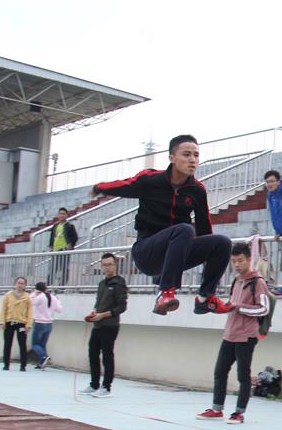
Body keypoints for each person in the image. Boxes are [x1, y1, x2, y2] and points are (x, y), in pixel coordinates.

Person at [91, 134, 232, 316]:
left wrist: (211, 261)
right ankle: (165, 293)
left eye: (196, 155)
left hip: (178, 253)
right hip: (147, 253)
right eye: (186, 154)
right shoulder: (151, 180)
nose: (192, 160)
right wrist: (99, 188)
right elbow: (125, 185)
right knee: (185, 229)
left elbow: (205, 229)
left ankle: (205, 299)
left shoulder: (197, 190)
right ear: (172, 158)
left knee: (222, 243)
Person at [196, 242, 269, 424]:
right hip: (230, 333)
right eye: (233, 261)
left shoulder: (258, 282)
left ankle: (239, 413)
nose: (236, 265)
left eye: (240, 260)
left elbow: (264, 309)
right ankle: (217, 409)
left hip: (247, 336)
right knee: (219, 372)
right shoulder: (236, 281)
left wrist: (238, 307)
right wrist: (222, 307)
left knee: (243, 376)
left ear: (249, 259)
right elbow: (232, 305)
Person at [79, 253, 128, 398]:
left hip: (110, 325)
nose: (107, 268)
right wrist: (94, 313)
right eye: (105, 265)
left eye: (110, 264)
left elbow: (122, 307)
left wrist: (103, 315)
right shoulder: (101, 284)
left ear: (115, 265)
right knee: (93, 353)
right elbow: (98, 302)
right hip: (98, 324)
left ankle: (106, 387)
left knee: (107, 355)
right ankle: (94, 384)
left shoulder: (119, 283)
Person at [0, 276, 33, 371]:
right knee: (7, 344)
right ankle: (6, 364)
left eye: (22, 283)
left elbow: (30, 312)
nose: (20, 285)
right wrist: (2, 322)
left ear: (25, 285)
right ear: (15, 284)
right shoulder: (8, 295)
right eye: (18, 283)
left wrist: (28, 325)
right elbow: (3, 309)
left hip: (21, 323)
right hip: (9, 322)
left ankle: (23, 365)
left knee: (22, 345)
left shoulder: (27, 297)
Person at [30, 281, 62, 369]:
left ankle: (43, 356)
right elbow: (59, 310)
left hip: (40, 323)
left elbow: (30, 302)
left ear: (37, 289)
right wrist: (58, 300)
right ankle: (41, 363)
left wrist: (34, 294)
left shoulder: (40, 297)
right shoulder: (53, 297)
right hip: (49, 324)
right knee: (42, 344)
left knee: (35, 344)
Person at [48, 207, 78, 286]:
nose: (62, 215)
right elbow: (52, 236)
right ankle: (48, 285)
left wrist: (70, 245)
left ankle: (61, 286)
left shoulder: (69, 226)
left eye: (64, 214)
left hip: (64, 250)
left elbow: (75, 237)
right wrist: (51, 245)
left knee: (64, 269)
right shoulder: (55, 226)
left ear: (67, 215)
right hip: (55, 250)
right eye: (60, 214)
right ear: (58, 215)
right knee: (52, 269)